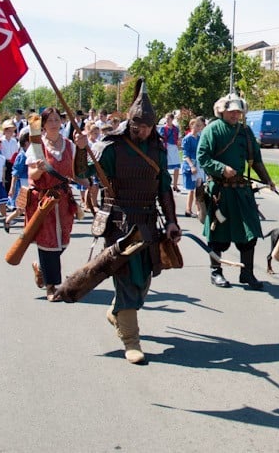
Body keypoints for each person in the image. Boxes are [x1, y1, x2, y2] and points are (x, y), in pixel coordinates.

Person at [96, 79, 180, 364]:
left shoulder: (157, 149)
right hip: (119, 223)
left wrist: (171, 221)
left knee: (143, 280)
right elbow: (83, 173)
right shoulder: (112, 148)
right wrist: (82, 149)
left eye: (146, 126)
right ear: (128, 122)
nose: (140, 131)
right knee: (126, 280)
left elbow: (164, 187)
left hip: (147, 222)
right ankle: (132, 342)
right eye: (136, 125)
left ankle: (119, 311)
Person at [197, 94, 275, 290]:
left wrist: (268, 180)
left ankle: (247, 273)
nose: (235, 114)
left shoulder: (246, 131)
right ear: (222, 111)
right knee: (218, 234)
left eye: (238, 111)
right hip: (220, 192)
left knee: (250, 233)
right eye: (231, 111)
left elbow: (256, 159)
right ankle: (216, 272)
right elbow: (203, 157)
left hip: (242, 191)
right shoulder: (212, 130)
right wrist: (222, 168)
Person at [25, 107, 88, 301]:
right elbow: (31, 176)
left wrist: (82, 149)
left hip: (64, 199)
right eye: (49, 120)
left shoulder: (69, 145)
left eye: (56, 120)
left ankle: (42, 268)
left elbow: (76, 172)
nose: (54, 123)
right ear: (43, 124)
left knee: (63, 241)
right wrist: (40, 171)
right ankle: (52, 287)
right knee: (48, 242)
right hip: (44, 200)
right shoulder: (37, 146)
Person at [4, 131, 30, 232]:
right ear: (26, 142)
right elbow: (15, 173)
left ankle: (28, 227)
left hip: (29, 181)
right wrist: (12, 188)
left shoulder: (31, 154)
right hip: (23, 183)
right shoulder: (22, 156)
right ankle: (8, 220)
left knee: (29, 207)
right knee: (22, 208)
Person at [181, 117, 205, 217]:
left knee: (199, 188)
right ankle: (188, 209)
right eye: (197, 125)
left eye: (200, 126)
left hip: (199, 164)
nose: (199, 128)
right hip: (190, 165)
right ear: (191, 126)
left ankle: (199, 209)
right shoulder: (187, 138)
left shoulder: (199, 138)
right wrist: (191, 166)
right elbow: (185, 155)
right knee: (191, 189)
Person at [158, 112, 183, 192]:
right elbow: (160, 139)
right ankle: (166, 184)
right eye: (166, 118)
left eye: (168, 118)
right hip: (166, 148)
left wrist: (179, 143)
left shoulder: (176, 128)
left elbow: (179, 139)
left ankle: (175, 185)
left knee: (177, 167)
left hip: (174, 148)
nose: (167, 120)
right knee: (165, 167)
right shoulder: (163, 128)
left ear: (172, 119)